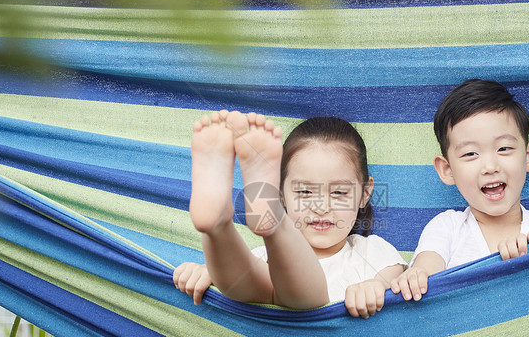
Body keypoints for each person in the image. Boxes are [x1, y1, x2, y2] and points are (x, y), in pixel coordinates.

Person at [172, 110, 406, 318]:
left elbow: (396, 281)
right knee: (248, 280)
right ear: (282, 194)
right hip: (265, 298)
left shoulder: (373, 253)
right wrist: (210, 271)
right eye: (304, 191)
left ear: (364, 194)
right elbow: (236, 272)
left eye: (338, 192)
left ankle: (269, 223)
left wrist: (374, 287)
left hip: (314, 325)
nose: (321, 207)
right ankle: (218, 227)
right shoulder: (262, 256)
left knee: (299, 294)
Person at [391, 79, 529, 302]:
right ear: (447, 170)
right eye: (470, 154)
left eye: (504, 148)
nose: (490, 167)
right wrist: (418, 274)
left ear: (528, 156)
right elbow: (426, 270)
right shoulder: (447, 228)